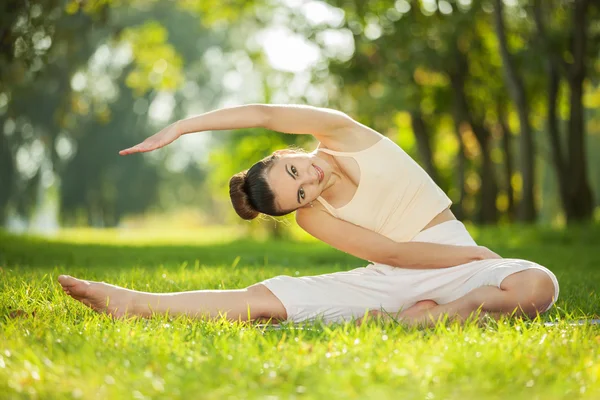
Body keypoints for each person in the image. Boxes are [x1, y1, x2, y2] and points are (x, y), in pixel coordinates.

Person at [58, 104, 559, 326]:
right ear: (297, 209)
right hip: (396, 273)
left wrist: (182, 129)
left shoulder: (342, 132)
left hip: (456, 263)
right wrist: (474, 251)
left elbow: (262, 113)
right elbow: (389, 253)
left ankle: (434, 320)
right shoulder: (312, 217)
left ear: (286, 153)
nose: (308, 182)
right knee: (266, 301)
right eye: (298, 194)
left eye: (295, 170)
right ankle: (131, 302)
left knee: (539, 287)